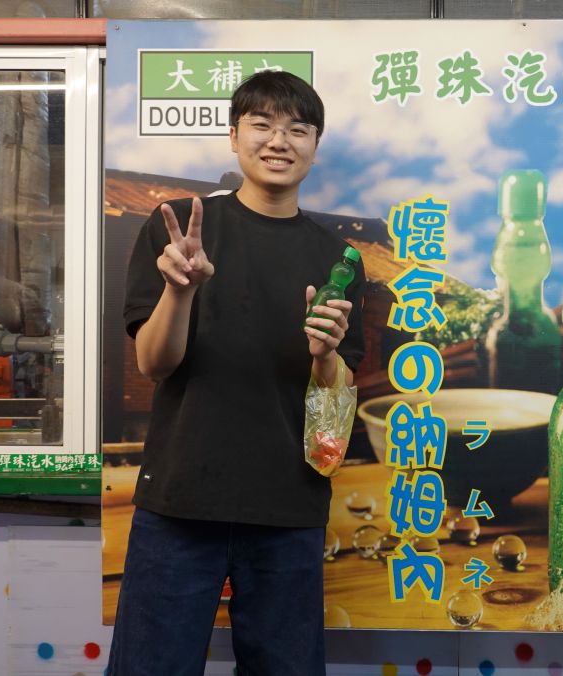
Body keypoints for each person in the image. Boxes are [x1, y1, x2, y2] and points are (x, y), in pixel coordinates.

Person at [108, 70, 365, 676]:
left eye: (297, 128)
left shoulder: (339, 257)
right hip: (181, 499)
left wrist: (325, 356)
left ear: (315, 145)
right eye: (262, 124)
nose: (279, 140)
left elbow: (336, 408)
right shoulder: (178, 228)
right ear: (233, 135)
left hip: (288, 505)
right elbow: (154, 363)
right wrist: (180, 290)